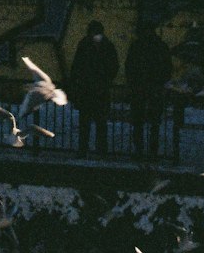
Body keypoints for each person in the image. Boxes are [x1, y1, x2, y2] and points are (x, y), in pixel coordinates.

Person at [69, 19, 119, 158]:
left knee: (89, 123)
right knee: (98, 123)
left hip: (89, 90)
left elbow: (77, 66)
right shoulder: (106, 46)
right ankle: (98, 150)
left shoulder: (85, 45)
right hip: (97, 90)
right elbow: (113, 66)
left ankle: (85, 150)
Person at [125, 22, 173, 160]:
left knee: (140, 122)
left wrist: (133, 83)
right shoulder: (160, 46)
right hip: (154, 87)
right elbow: (167, 67)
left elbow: (130, 66)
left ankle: (140, 151)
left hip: (141, 87)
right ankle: (152, 151)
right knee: (153, 122)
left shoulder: (137, 46)